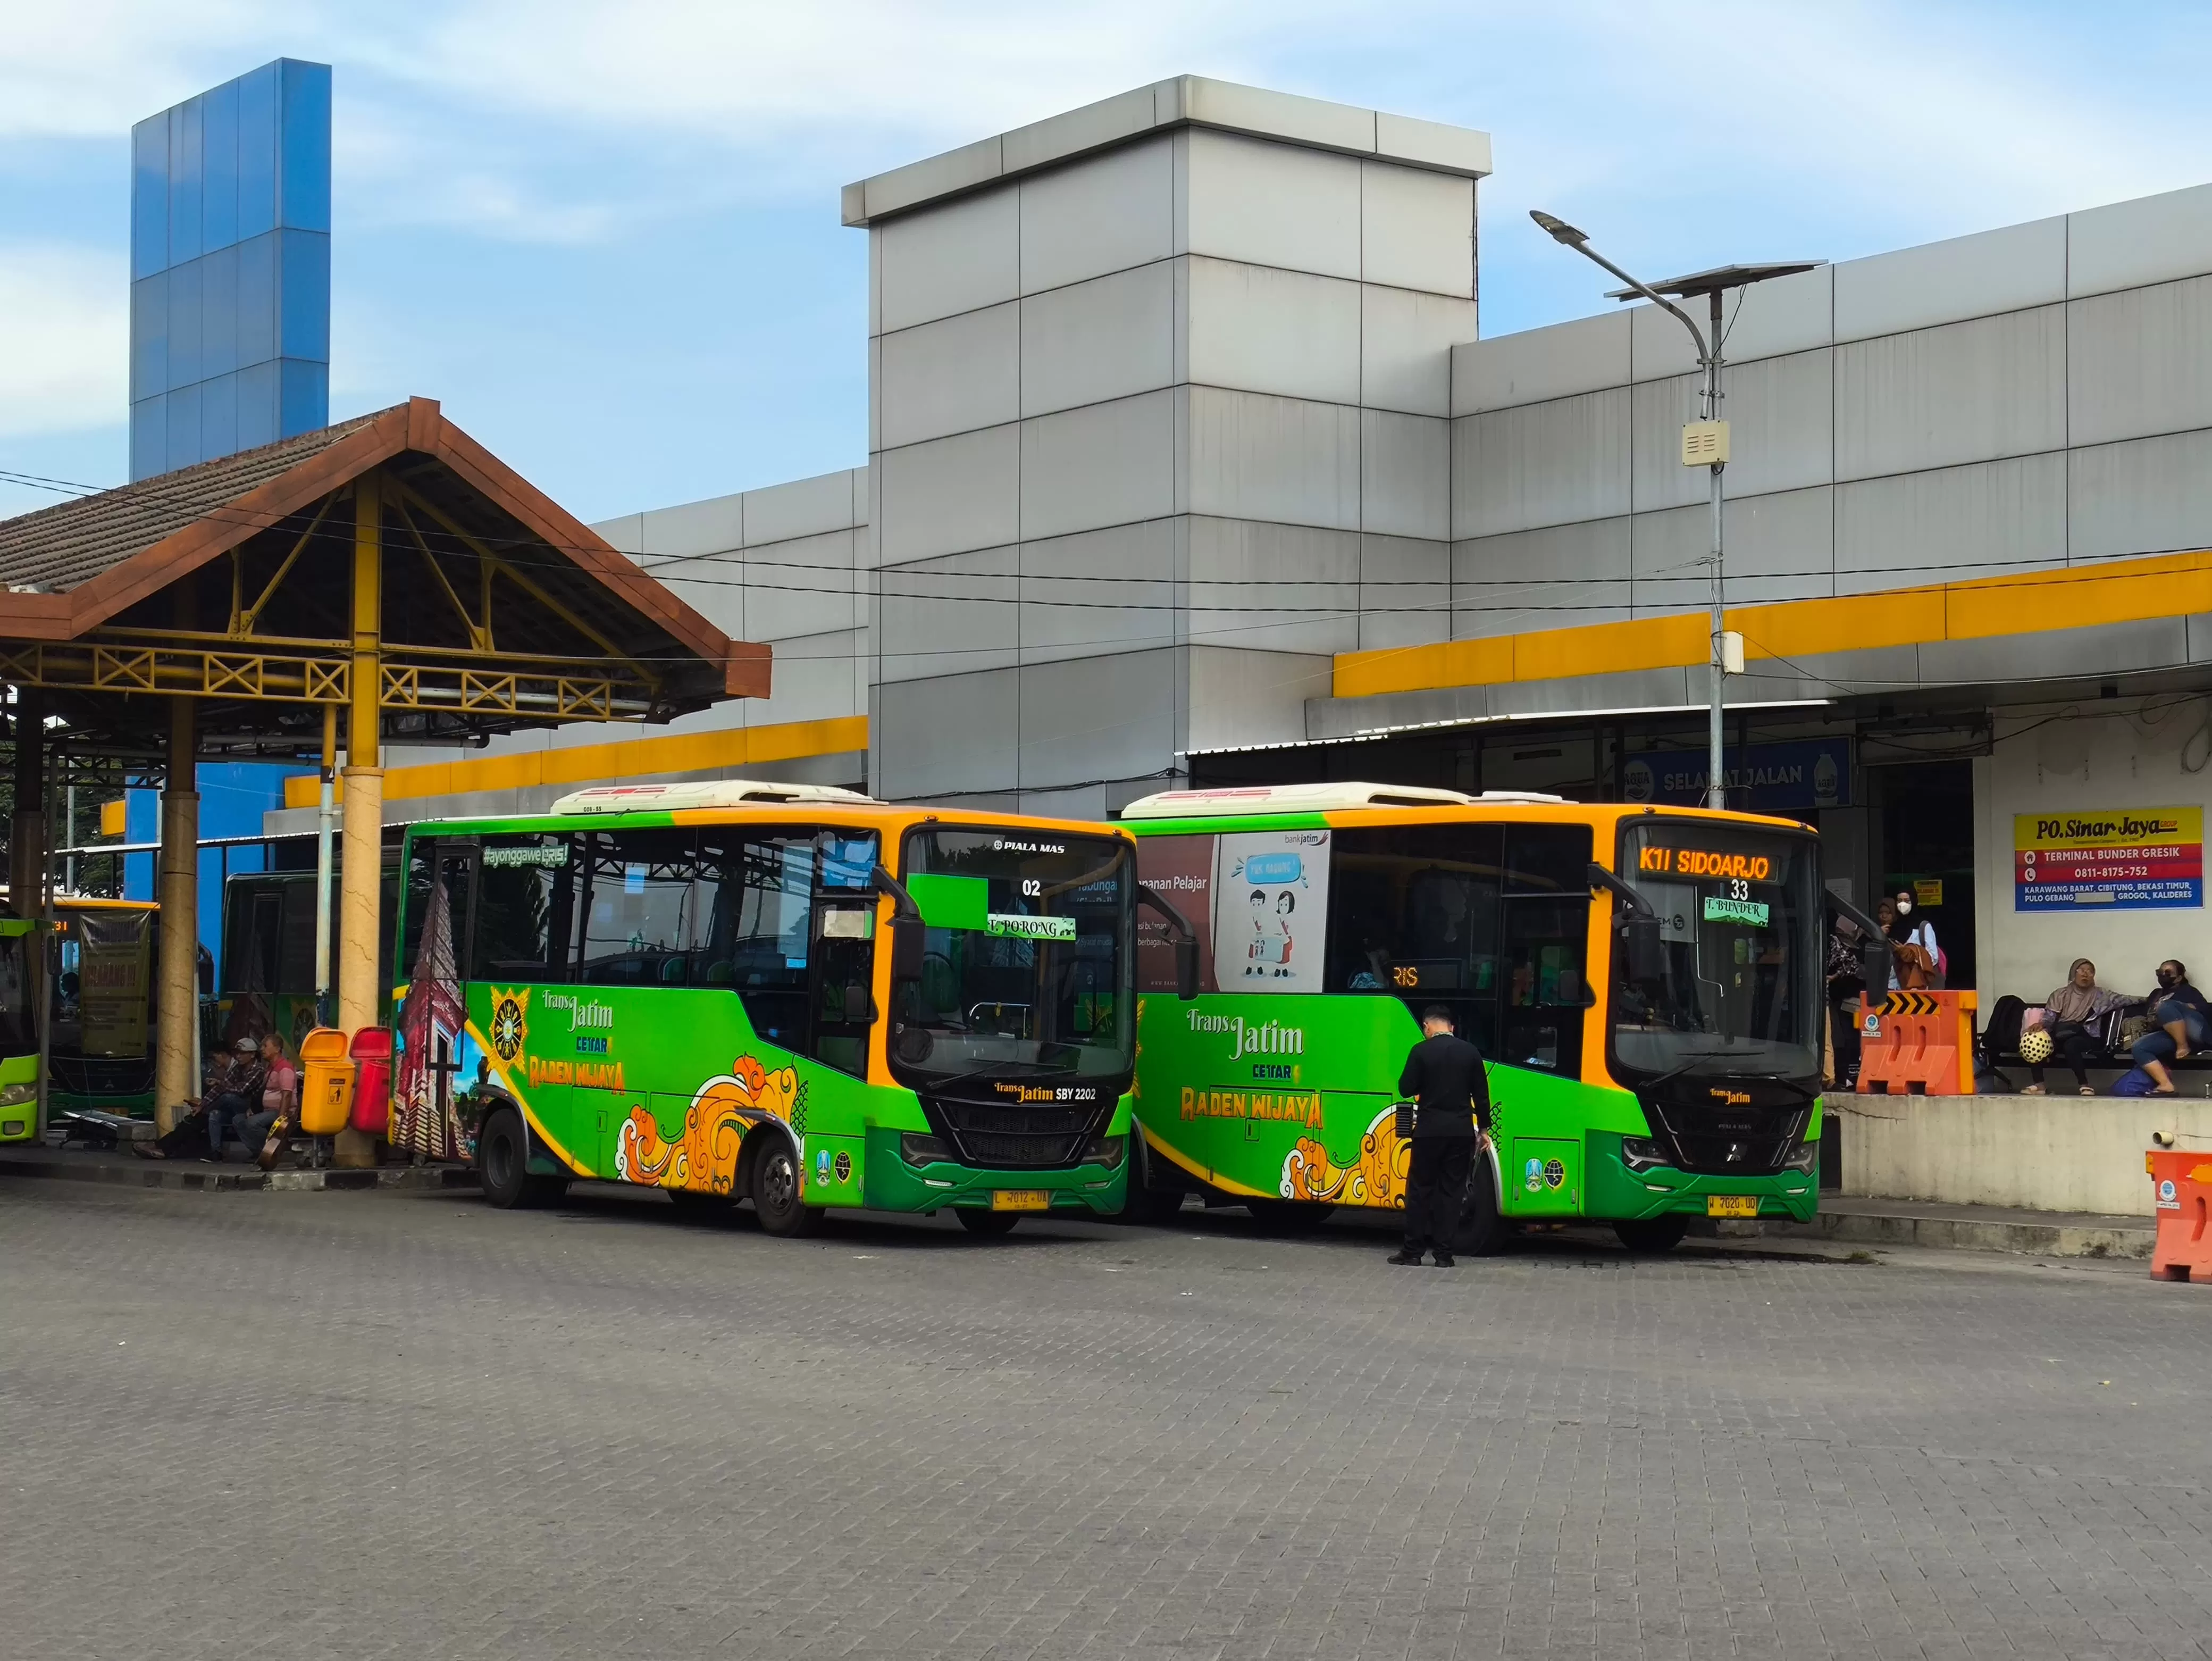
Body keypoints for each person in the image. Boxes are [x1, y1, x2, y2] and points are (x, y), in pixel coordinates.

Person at [1389, 1005, 1489, 1268]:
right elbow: (1481, 1095)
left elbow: (1405, 1088)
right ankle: (1443, 1255)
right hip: (1460, 1133)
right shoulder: (1470, 1052)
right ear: (1451, 1027)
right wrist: (1484, 1131)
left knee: (1421, 1190)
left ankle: (1412, 1252)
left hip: (1428, 1132)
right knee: (1452, 1192)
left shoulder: (1421, 1051)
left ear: (1427, 1027)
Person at [2025, 958, 2121, 1095]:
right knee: (2035, 1040)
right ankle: (2039, 1085)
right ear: (2073, 973)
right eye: (2082, 970)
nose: (2086, 974)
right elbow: (2050, 1018)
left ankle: (2084, 1085)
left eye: (2090, 971)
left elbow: (2127, 999)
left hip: (2087, 1035)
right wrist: (2041, 1025)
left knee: (2071, 1045)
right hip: (2062, 1032)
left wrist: (2151, 999)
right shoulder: (2061, 994)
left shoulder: (2101, 995)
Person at [2132, 959, 2211, 1095]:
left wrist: (2182, 1006)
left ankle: (2183, 1046)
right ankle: (2165, 1084)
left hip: (2194, 1033)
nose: (2163, 976)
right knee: (2139, 1047)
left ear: (2179, 978)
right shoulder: (2156, 994)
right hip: (2169, 1034)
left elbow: (2205, 1009)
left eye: (2168, 973)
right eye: (2160, 972)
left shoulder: (2188, 991)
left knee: (2166, 1006)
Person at [201, 1036, 271, 1162]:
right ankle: (216, 1152)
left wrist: (220, 1084)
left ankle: (203, 1112)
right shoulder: (237, 1068)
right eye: (237, 1053)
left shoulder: (258, 1070)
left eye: (242, 1054)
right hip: (236, 1108)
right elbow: (223, 1086)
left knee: (228, 1097)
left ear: (252, 1055)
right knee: (215, 1115)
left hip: (251, 1106)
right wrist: (203, 1103)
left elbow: (241, 1090)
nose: (238, 1057)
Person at [232, 1032, 299, 1158]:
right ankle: (259, 1153)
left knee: (252, 1123)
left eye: (265, 1046)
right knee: (238, 1120)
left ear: (277, 1049)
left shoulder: (285, 1068)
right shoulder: (270, 1068)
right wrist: (253, 1109)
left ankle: (274, 1148)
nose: (262, 1049)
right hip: (266, 1110)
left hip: (280, 1111)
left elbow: (287, 1095)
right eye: (262, 1046)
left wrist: (280, 1120)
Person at [1825, 917, 1868, 1089]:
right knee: (1845, 1038)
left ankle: (1849, 1076)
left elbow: (1851, 966)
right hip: (1842, 999)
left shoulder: (1861, 944)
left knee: (1851, 1039)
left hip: (1853, 998)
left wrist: (1833, 977)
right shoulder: (1836, 942)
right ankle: (1847, 1076)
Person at [1886, 890, 1938, 990]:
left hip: (1917, 985)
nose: (1903, 904)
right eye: (1899, 901)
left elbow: (1933, 956)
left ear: (1914, 902)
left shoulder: (1923, 926)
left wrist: (1911, 956)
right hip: (1894, 985)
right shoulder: (1892, 928)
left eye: (1907, 901)